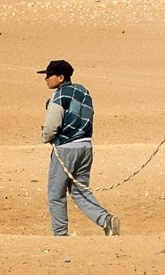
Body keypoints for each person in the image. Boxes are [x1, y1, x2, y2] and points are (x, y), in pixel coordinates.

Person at [39, 59, 120, 237]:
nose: (46, 79)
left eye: (49, 75)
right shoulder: (83, 91)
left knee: (56, 193)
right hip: (86, 147)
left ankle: (60, 235)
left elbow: (52, 125)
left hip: (66, 149)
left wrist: (45, 137)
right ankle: (106, 220)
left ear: (61, 77)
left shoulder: (60, 96)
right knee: (79, 190)